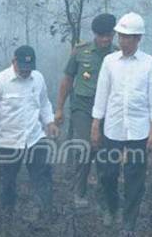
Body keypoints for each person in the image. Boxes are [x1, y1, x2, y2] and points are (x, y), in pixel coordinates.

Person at [91, 12, 152, 236]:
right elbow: (102, 95)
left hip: (139, 130)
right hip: (113, 128)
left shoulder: (149, 63)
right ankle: (111, 208)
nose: (123, 41)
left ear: (138, 39)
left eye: (128, 37)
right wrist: (96, 125)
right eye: (120, 36)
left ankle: (129, 223)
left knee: (135, 178)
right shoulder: (109, 62)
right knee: (108, 173)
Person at [0, 45, 59, 228]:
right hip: (8, 141)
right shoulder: (0, 81)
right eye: (22, 68)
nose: (26, 72)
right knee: (7, 183)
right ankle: (6, 218)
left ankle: (45, 215)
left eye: (29, 69)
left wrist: (50, 122)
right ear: (14, 62)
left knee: (42, 177)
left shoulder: (38, 78)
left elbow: (44, 103)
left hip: (35, 138)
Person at [54, 13, 117, 208]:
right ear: (94, 34)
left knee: (105, 152)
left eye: (109, 35)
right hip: (82, 106)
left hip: (108, 108)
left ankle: (103, 195)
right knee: (86, 146)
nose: (105, 39)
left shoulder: (117, 54)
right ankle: (79, 192)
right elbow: (67, 79)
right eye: (101, 35)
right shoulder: (81, 52)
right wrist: (59, 109)